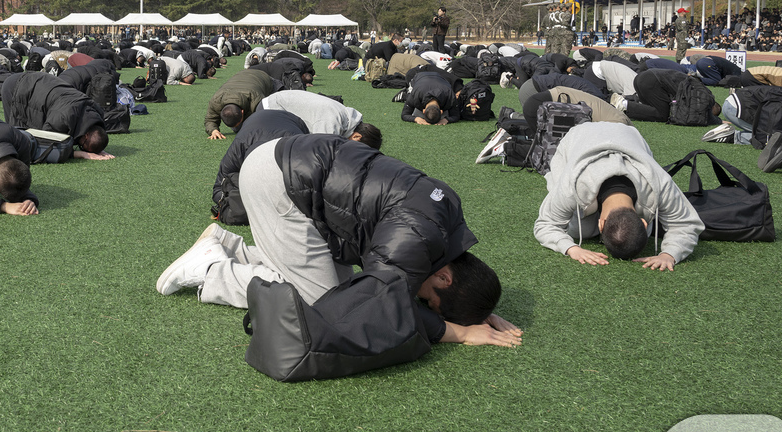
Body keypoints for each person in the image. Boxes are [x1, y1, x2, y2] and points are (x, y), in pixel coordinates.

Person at [158, 136, 521, 347]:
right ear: (444, 276)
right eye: (429, 300)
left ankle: (229, 245)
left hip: (292, 167)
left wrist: (475, 307)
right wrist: (457, 332)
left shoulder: (445, 221)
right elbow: (380, 304)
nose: (420, 300)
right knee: (321, 304)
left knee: (340, 286)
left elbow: (423, 283)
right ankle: (210, 270)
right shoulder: (414, 239)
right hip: (279, 183)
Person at [533, 123, 704, 271]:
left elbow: (686, 223)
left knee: (589, 230)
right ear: (643, 222)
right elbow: (545, 224)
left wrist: (670, 254)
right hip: (578, 136)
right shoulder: (572, 185)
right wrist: (571, 248)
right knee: (579, 231)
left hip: (628, 134)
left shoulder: (659, 183)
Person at [0, 72, 116, 158]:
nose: (80, 146)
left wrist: (97, 149)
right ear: (86, 135)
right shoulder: (62, 118)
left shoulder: (96, 113)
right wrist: (81, 154)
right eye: (83, 145)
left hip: (38, 81)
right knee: (19, 139)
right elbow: (45, 144)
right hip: (15, 88)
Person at [258, 89, 378, 141]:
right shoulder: (332, 122)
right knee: (293, 150)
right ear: (356, 136)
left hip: (277, 104)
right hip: (271, 109)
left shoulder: (345, 117)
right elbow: (319, 150)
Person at [204, 68, 280, 139]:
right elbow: (210, 119)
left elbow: (266, 118)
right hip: (242, 76)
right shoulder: (216, 101)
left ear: (242, 112)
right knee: (238, 129)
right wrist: (213, 130)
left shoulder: (256, 100)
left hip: (264, 77)